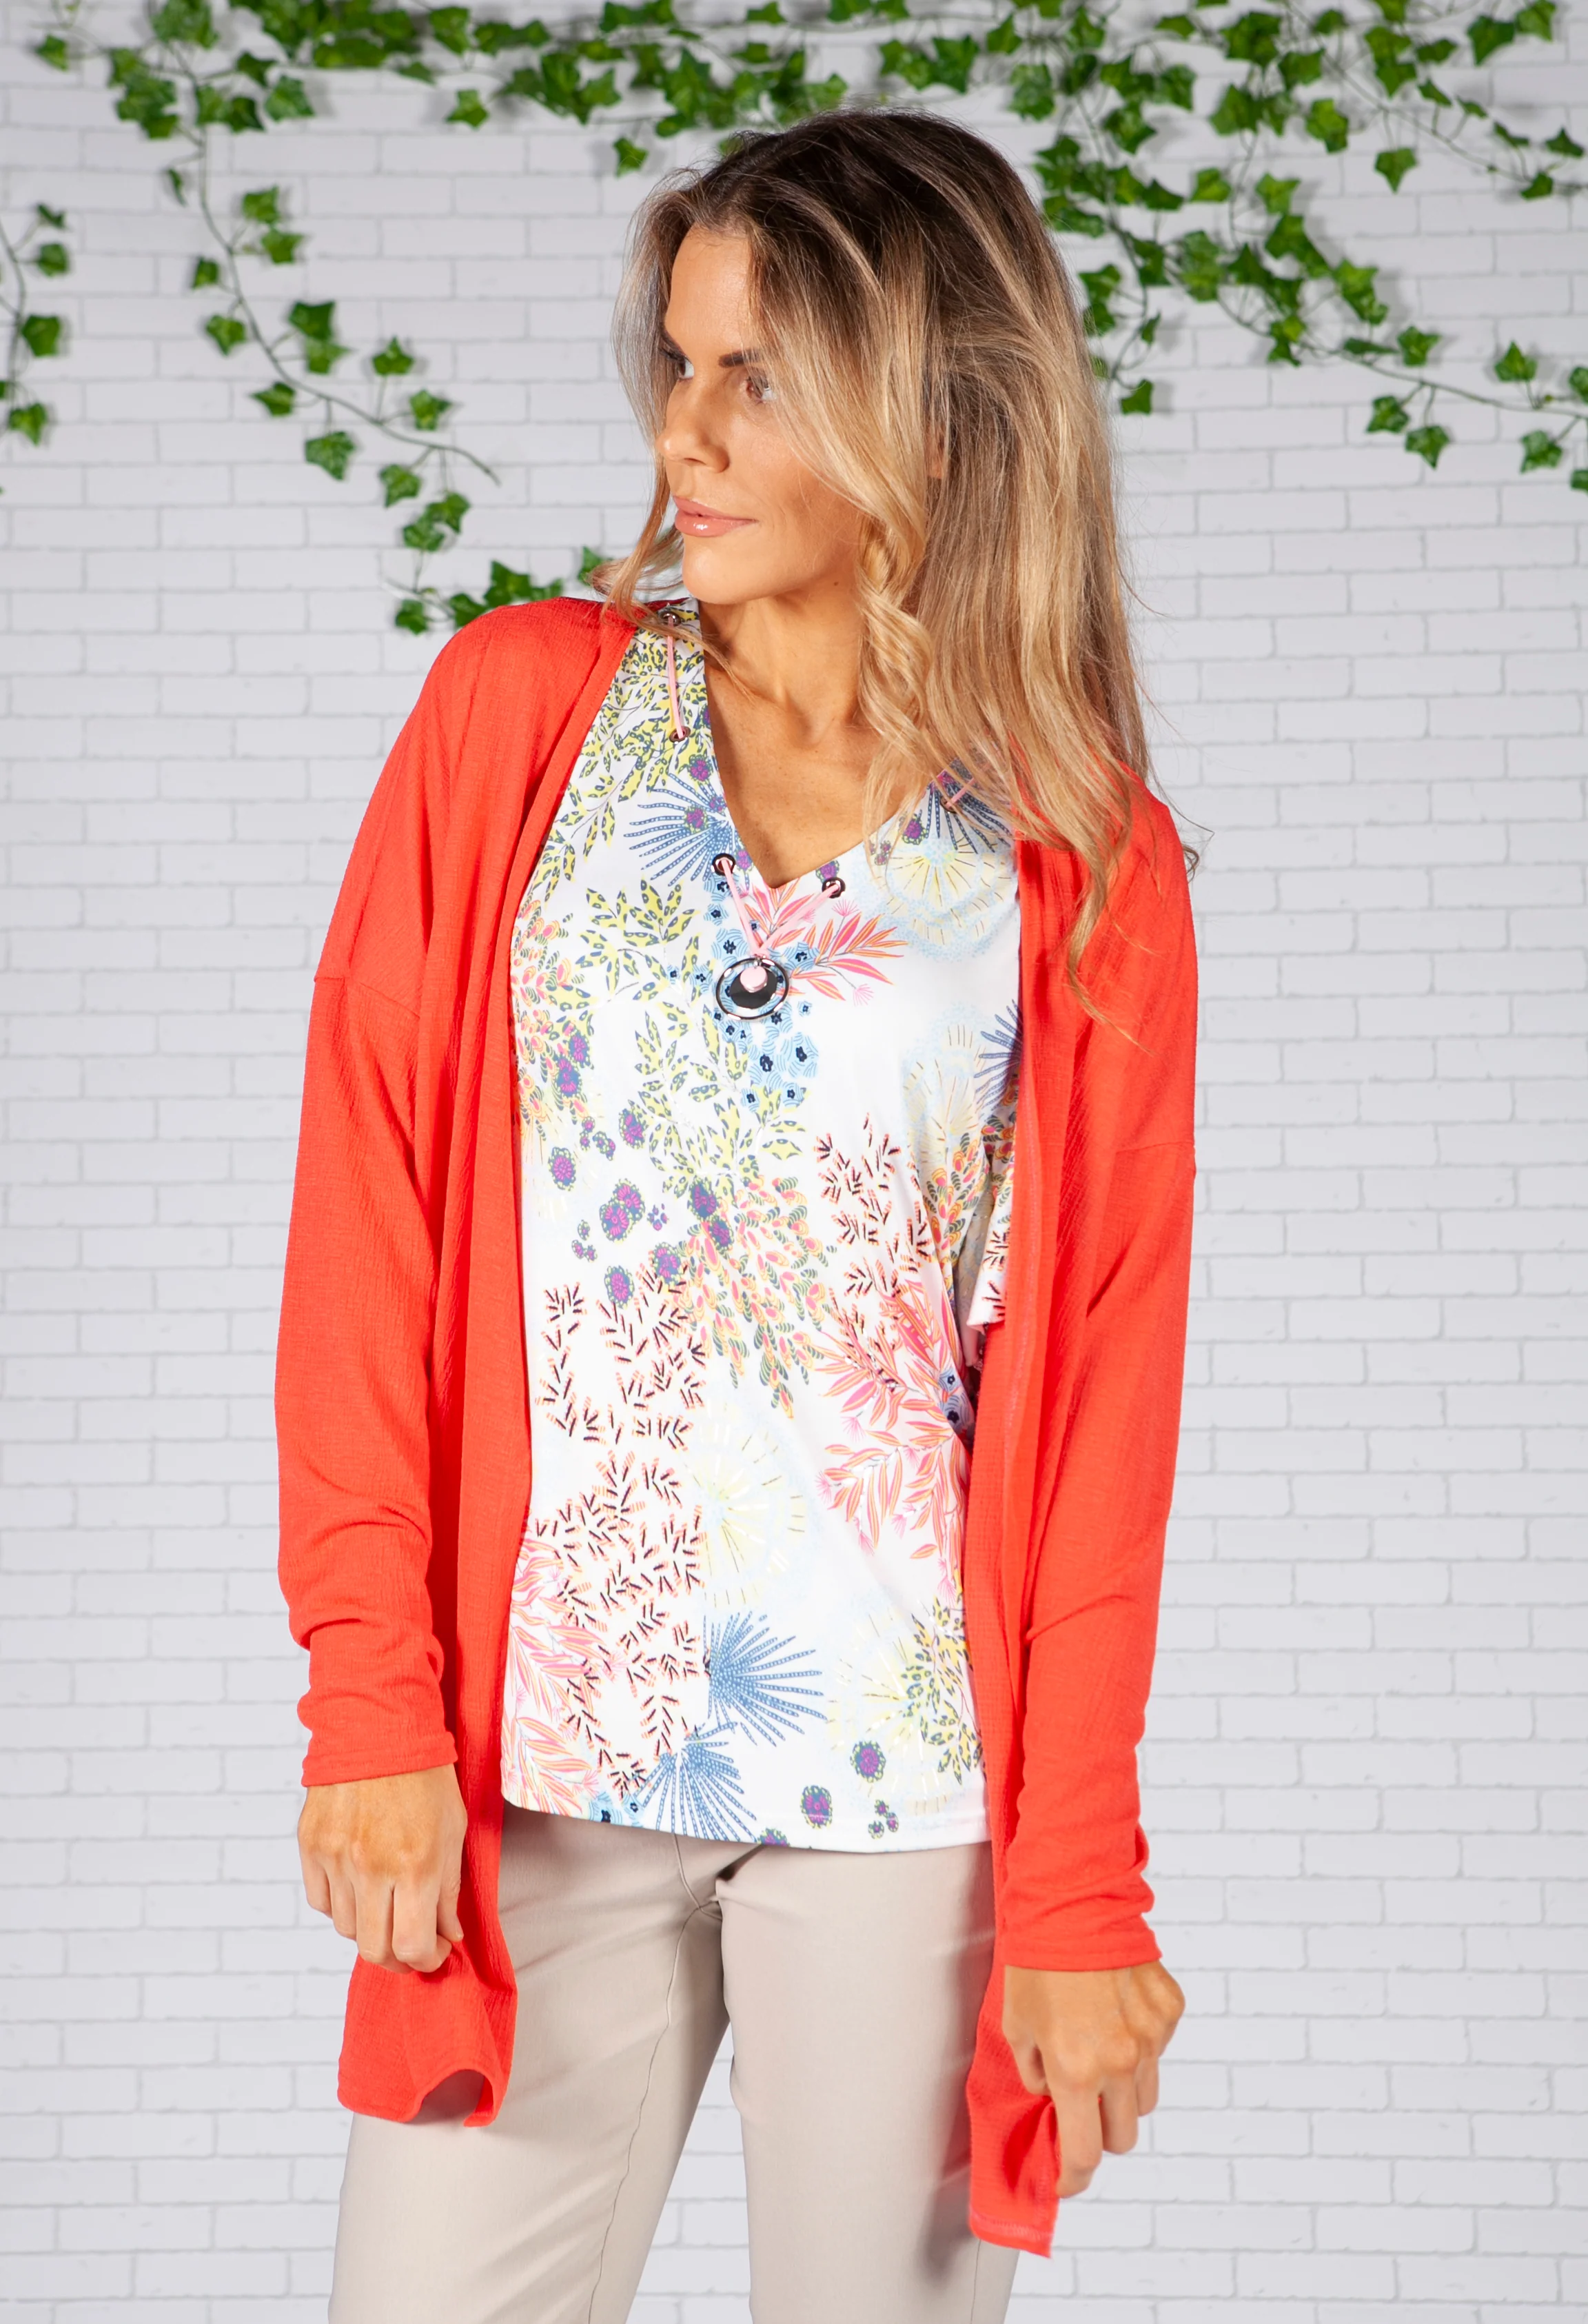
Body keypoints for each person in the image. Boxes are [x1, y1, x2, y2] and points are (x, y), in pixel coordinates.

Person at [276, 108, 1195, 2324]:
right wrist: (370, 1703)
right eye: (679, 365)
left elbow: (1098, 1409)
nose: (682, 432)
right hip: (536, 1774)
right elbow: (368, 1217)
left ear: (933, 407)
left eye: (756, 378)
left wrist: (1081, 1891)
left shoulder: (1079, 853)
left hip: (903, 1793)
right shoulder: (524, 714)